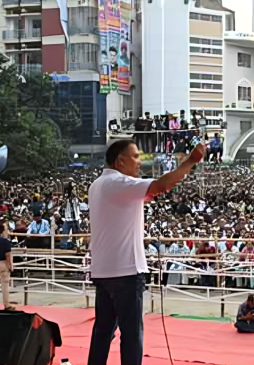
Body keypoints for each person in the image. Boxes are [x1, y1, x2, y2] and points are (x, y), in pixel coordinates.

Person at [87, 139, 206, 365]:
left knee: (102, 332)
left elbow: (152, 192)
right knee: (131, 335)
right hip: (125, 270)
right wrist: (190, 161)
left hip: (103, 271)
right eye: (135, 157)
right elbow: (161, 185)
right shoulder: (120, 183)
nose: (139, 162)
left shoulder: (98, 184)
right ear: (120, 161)